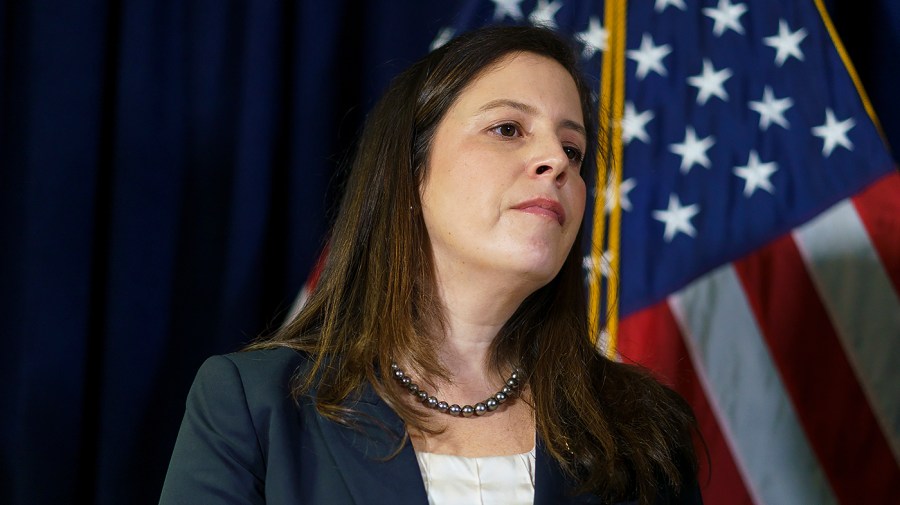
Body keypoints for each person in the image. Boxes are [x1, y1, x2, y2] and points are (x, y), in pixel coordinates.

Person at [159, 25, 701, 505]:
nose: (556, 161)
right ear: (411, 171)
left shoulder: (643, 427)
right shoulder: (255, 404)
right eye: (508, 129)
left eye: (573, 149)